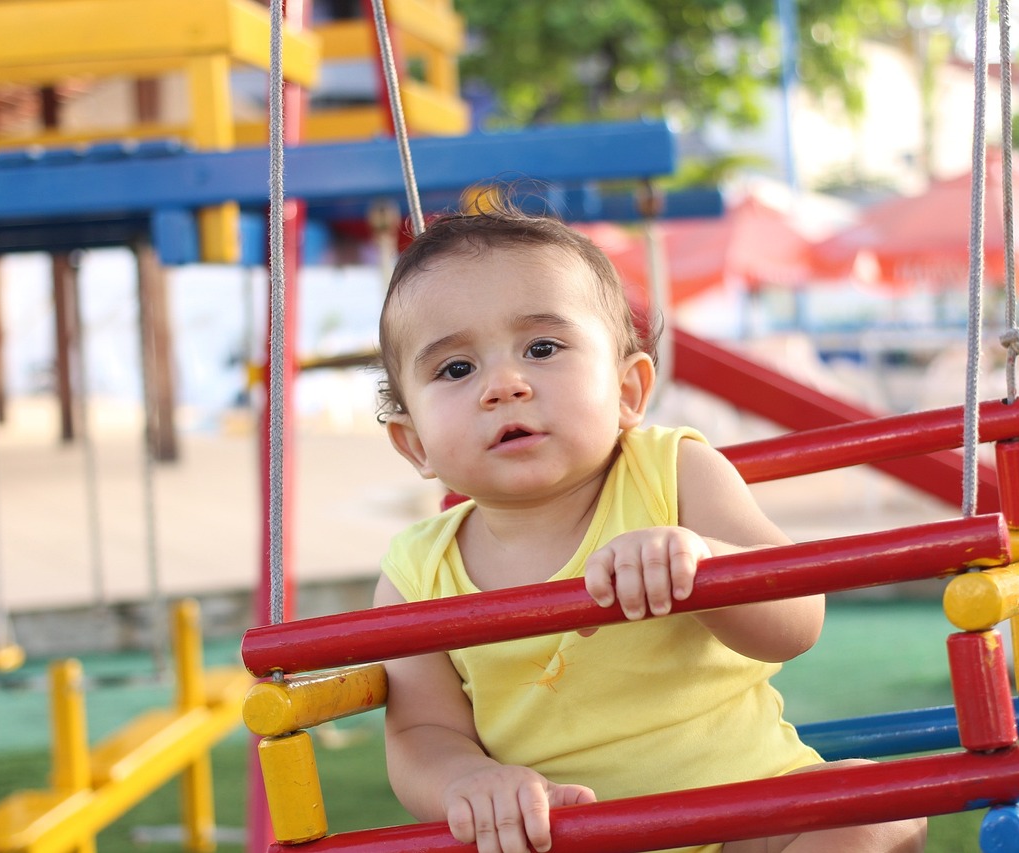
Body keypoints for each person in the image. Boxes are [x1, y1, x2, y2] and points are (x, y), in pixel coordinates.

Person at [372, 206, 927, 853]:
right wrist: (471, 778)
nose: (504, 384)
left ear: (630, 389)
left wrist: (706, 563)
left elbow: (798, 618)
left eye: (542, 348)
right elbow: (419, 732)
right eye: (456, 369)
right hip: (572, 836)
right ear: (415, 444)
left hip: (753, 818)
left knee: (877, 805)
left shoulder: (673, 472)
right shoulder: (417, 571)